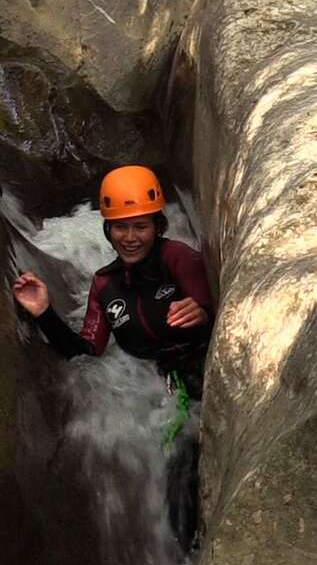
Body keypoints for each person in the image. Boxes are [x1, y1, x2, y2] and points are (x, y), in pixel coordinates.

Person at [12, 164, 214, 400]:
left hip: (200, 365)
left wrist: (203, 313)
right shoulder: (104, 284)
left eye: (141, 226)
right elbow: (86, 351)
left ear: (157, 227)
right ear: (108, 230)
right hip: (147, 386)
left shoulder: (179, 258)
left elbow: (213, 309)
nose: (130, 238)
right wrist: (44, 312)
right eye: (120, 227)